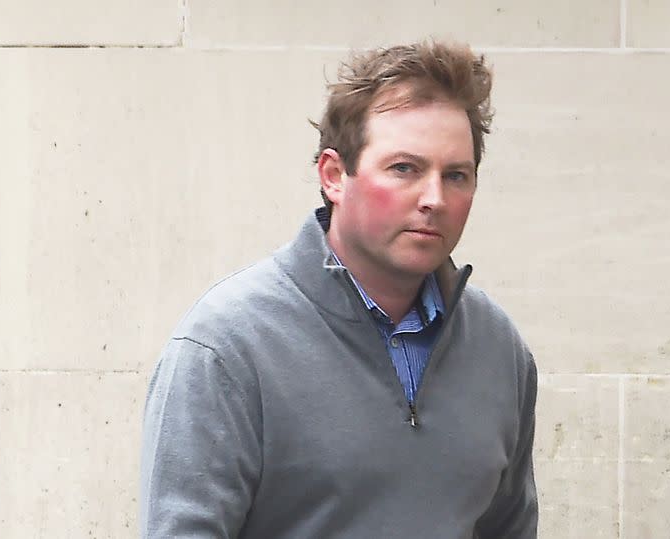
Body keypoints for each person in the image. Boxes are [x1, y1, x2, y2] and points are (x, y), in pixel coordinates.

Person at [140, 40, 538, 539]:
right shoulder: (226, 346)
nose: (434, 198)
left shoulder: (499, 349)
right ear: (334, 176)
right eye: (405, 169)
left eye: (456, 175)